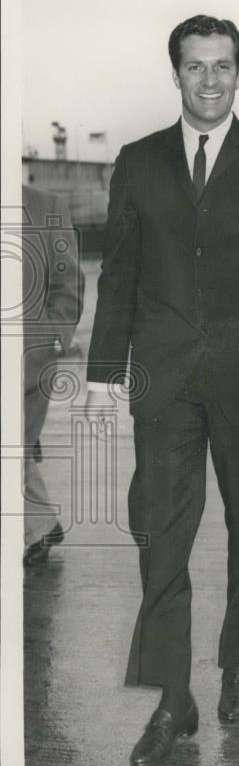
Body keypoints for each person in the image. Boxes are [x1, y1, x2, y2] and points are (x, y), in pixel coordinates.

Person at [85, 14, 239, 766]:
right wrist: (101, 373)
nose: (210, 80)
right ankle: (171, 698)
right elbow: (118, 273)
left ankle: (237, 659)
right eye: (196, 67)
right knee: (160, 537)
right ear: (175, 74)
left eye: (223, 66)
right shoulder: (139, 162)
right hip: (164, 382)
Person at [22, 185, 84, 566]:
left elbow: (68, 285)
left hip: (27, 361)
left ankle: (36, 529)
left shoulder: (46, 207)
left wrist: (51, 337)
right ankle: (41, 525)